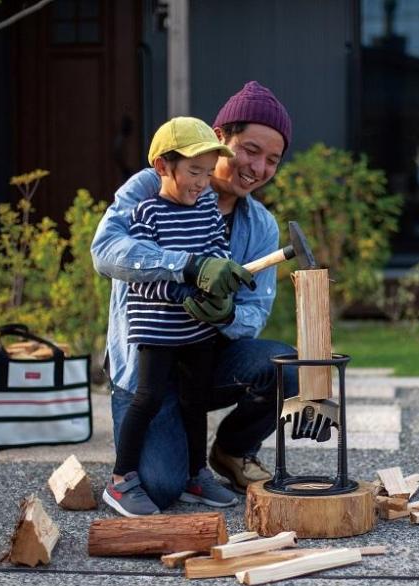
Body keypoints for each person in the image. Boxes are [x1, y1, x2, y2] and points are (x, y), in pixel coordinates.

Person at [91, 81, 299, 511]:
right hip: (147, 360)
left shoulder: (261, 227)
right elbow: (105, 252)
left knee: (287, 367)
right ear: (219, 139)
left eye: (272, 160)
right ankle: (135, 474)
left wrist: (225, 314)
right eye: (250, 150)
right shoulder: (153, 185)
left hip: (203, 357)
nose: (258, 168)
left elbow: (254, 313)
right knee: (161, 489)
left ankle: (230, 452)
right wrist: (188, 266)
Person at [102, 116, 248, 517]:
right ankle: (120, 480)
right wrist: (188, 290)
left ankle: (196, 474)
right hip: (157, 329)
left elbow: (218, 249)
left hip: (196, 329)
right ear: (163, 167)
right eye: (193, 171)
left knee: (195, 400)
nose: (202, 182)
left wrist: (220, 285)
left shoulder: (205, 208)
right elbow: (143, 281)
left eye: (207, 172)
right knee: (147, 399)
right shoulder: (147, 213)